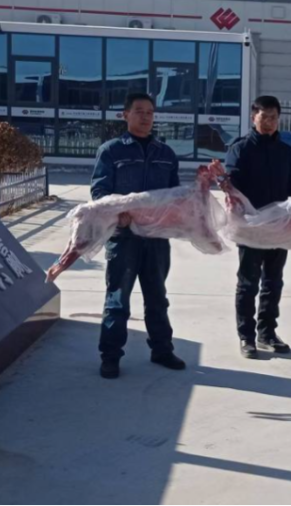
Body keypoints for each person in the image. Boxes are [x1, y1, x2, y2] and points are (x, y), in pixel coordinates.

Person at [90, 92, 186, 378]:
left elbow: (174, 194)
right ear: (125, 115)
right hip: (124, 237)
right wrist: (117, 211)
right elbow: (99, 192)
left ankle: (162, 350)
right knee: (118, 299)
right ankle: (110, 356)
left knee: (157, 297)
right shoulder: (111, 151)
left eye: (150, 113)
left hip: (156, 238)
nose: (145, 117)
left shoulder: (165, 154)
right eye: (139, 111)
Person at [225, 95, 291, 359]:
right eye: (264, 117)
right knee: (248, 283)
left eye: (273, 117)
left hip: (279, 225)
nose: (269, 122)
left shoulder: (285, 152)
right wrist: (224, 182)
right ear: (253, 117)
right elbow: (233, 182)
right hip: (251, 226)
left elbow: (289, 186)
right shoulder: (240, 149)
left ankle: (267, 333)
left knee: (273, 282)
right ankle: (246, 336)